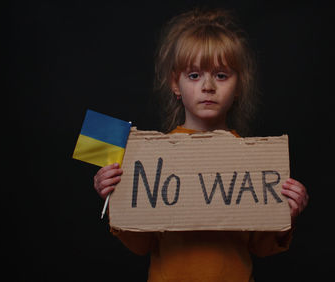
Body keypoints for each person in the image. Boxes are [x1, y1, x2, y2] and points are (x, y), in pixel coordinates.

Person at [93, 7, 309, 282]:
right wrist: (115, 197)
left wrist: (285, 215)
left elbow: (260, 246)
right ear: (175, 83)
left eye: (221, 75)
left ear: (239, 84)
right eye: (194, 75)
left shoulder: (252, 161)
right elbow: (141, 246)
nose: (208, 86)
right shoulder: (150, 158)